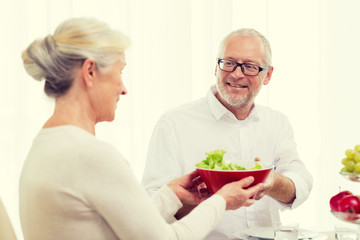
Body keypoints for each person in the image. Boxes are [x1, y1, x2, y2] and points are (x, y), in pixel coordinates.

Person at [19, 18, 265, 240]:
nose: (123, 88)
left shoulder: (47, 143)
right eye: (120, 71)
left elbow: (126, 228)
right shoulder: (91, 155)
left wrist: (171, 196)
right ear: (90, 71)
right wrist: (222, 200)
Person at [141, 28, 313, 239]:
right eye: (229, 63)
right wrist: (208, 200)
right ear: (216, 67)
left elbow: (300, 184)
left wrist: (271, 182)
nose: (237, 73)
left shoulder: (277, 122)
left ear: (267, 75)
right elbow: (153, 207)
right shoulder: (174, 123)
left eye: (250, 66)